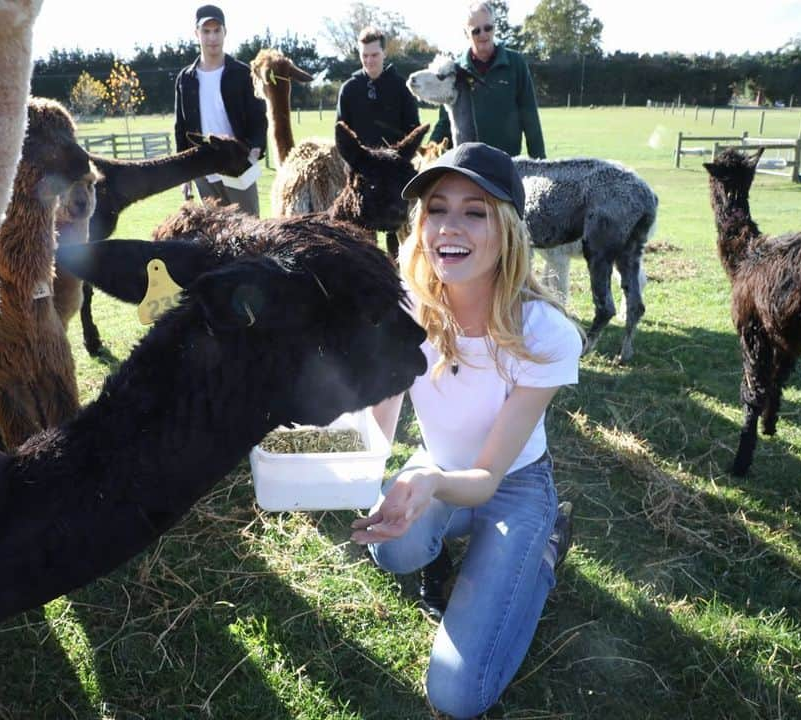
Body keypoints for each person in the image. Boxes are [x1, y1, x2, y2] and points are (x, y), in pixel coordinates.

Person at [351, 142, 579, 719]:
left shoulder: (544, 332)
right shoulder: (403, 310)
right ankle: (468, 552)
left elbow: (483, 477)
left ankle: (545, 548)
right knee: (395, 549)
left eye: (474, 211)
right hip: (441, 469)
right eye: (437, 209)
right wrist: (339, 464)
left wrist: (428, 479)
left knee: (457, 698)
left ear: (506, 230)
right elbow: (379, 418)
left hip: (515, 486)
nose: (450, 227)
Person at [173, 4, 267, 216]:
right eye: (206, 31)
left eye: (217, 31)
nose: (212, 37)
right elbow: (181, 128)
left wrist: (254, 150)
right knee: (217, 236)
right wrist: (183, 174)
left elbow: (258, 119)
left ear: (225, 32)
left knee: (250, 233)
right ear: (196, 34)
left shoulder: (243, 74)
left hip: (238, 166)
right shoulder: (185, 79)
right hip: (203, 169)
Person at [430, 2, 546, 159]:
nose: (483, 34)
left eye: (488, 28)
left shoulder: (516, 63)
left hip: (506, 164)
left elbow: (530, 116)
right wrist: (430, 147)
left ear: (494, 27)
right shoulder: (456, 71)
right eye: (476, 31)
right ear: (466, 33)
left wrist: (540, 162)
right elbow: (445, 120)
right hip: (469, 165)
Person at [335, 26, 421, 148]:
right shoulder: (348, 89)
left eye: (374, 55)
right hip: (359, 164)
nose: (369, 61)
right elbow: (341, 135)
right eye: (364, 55)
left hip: (395, 162)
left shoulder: (402, 87)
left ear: (384, 53)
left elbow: (413, 131)